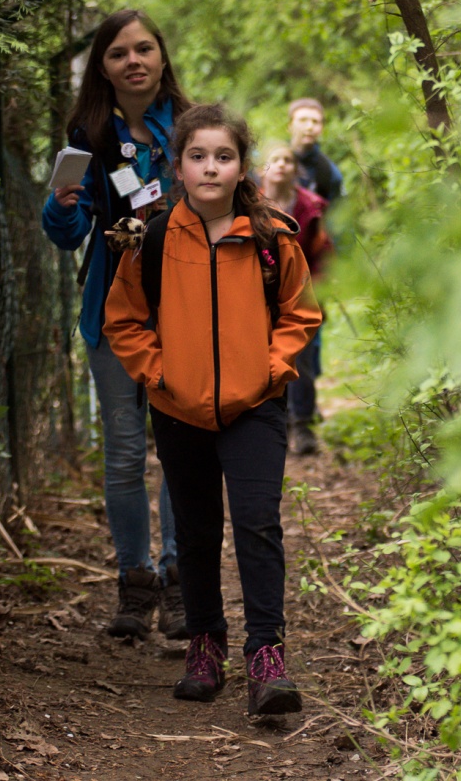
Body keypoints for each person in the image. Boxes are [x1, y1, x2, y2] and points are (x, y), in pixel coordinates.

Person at [102, 104, 322, 715]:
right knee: (196, 534)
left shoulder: (272, 236)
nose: (210, 167)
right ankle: (205, 650)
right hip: (179, 409)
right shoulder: (151, 240)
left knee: (258, 526)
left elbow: (301, 313)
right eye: (197, 156)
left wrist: (272, 370)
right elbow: (123, 320)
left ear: (240, 167)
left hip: (257, 408)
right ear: (178, 166)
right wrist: (160, 373)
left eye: (223, 157)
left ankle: (265, 660)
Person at [41, 9, 187, 642]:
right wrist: (61, 206)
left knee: (181, 452)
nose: (134, 60)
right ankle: (137, 581)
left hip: (185, 311)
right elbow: (71, 237)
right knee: (126, 453)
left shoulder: (189, 127)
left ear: (161, 56)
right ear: (102, 67)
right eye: (119, 53)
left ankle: (183, 579)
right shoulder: (88, 136)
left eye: (144, 48)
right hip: (113, 312)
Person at [260, 144, 333, 455]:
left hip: (301, 293)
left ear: (295, 169)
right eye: (274, 159)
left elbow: (322, 253)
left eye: (287, 160)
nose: (281, 165)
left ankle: (303, 426)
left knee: (300, 361)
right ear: (263, 167)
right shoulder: (247, 203)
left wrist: (320, 292)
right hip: (258, 295)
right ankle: (272, 427)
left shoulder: (311, 205)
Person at [286, 98, 344, 202]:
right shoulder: (269, 160)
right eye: (303, 120)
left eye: (315, 122)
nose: (309, 127)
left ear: (322, 128)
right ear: (290, 125)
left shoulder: (329, 173)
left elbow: (335, 215)